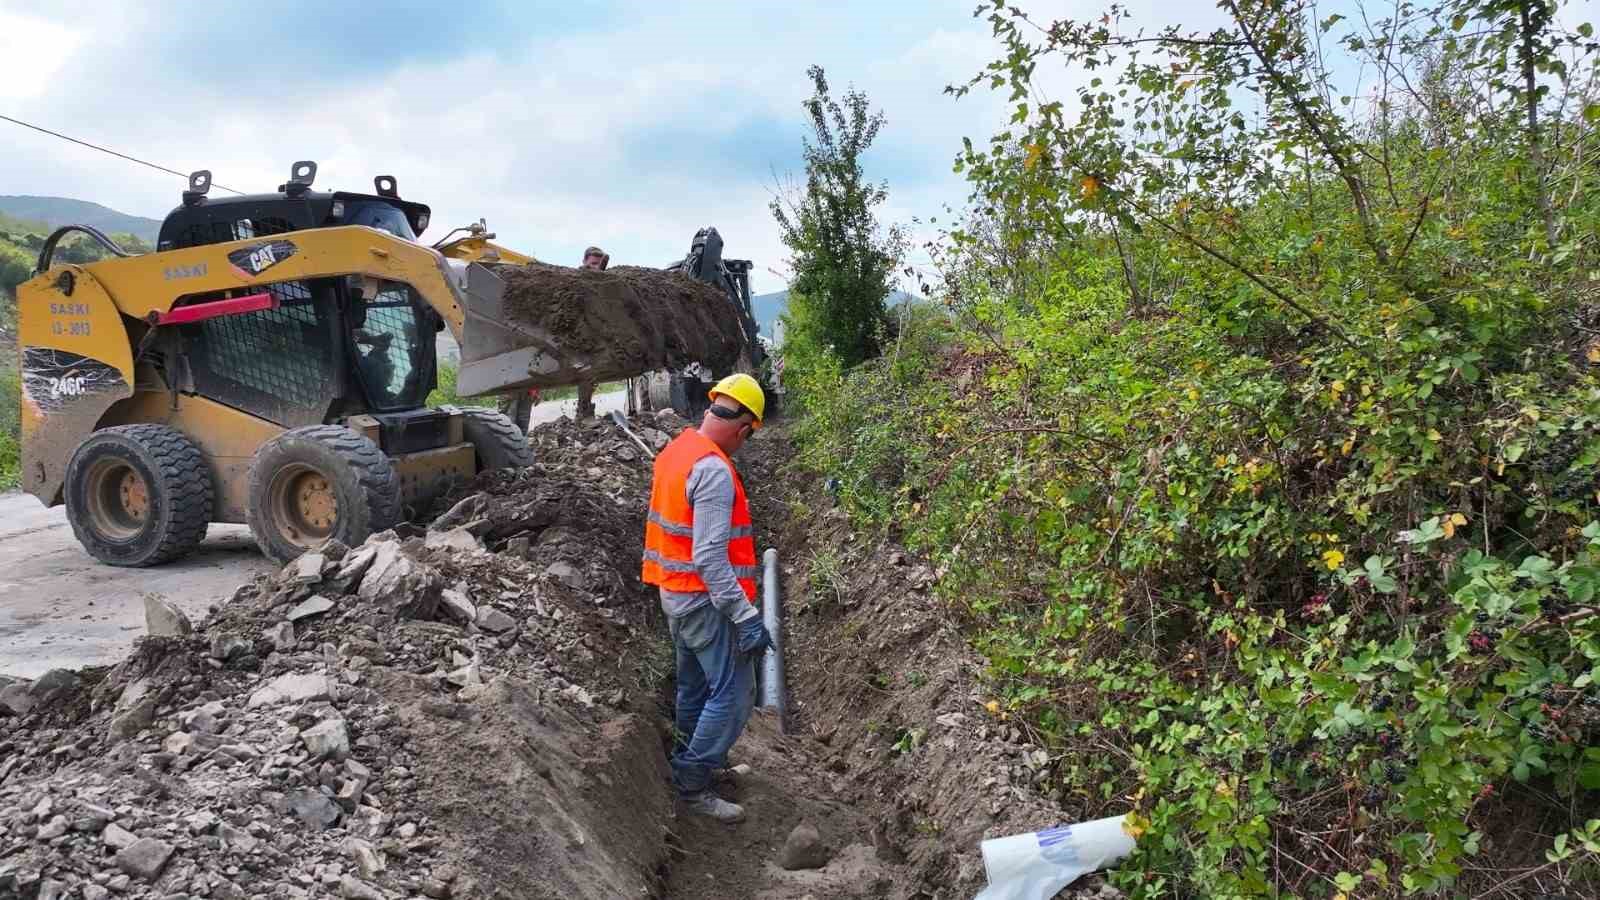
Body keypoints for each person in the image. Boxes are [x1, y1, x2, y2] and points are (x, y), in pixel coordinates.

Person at [641, 373, 771, 824]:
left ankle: (693, 761)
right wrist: (746, 616)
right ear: (744, 428)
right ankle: (692, 783)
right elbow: (711, 557)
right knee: (734, 695)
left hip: (674, 595)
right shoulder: (713, 469)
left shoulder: (677, 451)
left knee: (694, 687)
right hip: (705, 603)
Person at [575, 246, 609, 419]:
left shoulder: (603, 281)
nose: (595, 267)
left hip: (595, 338)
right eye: (592, 263)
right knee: (585, 374)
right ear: (584, 261)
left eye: (598, 264)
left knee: (590, 379)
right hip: (579, 338)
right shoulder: (577, 278)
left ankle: (584, 412)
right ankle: (583, 413)